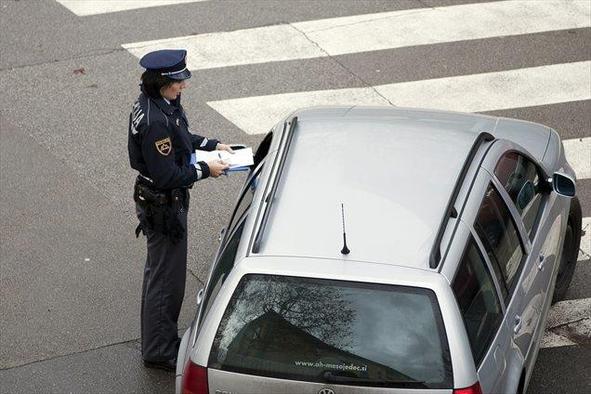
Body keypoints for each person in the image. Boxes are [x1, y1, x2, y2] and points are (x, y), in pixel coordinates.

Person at [128, 49, 231, 371]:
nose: (183, 85)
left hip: (160, 200)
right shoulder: (156, 121)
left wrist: (211, 144)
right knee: (166, 280)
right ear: (162, 82)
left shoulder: (157, 104)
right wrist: (205, 170)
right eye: (178, 82)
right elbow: (167, 174)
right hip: (163, 204)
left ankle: (158, 341)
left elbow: (180, 135)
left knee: (160, 273)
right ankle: (160, 350)